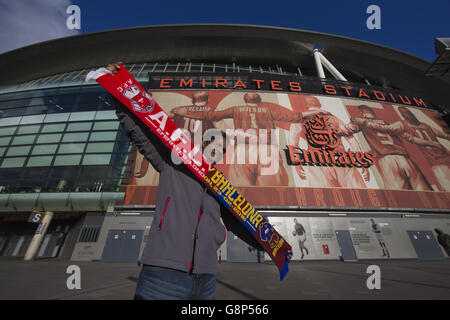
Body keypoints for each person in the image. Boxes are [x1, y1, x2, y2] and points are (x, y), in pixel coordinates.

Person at [104, 62, 263, 300]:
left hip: (206, 277)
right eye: (212, 143)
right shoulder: (174, 165)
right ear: (202, 144)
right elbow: (142, 134)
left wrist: (271, 244)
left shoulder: (220, 185)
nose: (216, 149)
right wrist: (118, 89)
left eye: (221, 147)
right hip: (163, 274)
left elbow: (242, 221)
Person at [349, 105, 433, 191]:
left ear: (363, 113)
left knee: (398, 196)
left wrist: (353, 123)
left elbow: (349, 129)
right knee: (424, 191)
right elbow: (407, 137)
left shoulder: (362, 122)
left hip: (387, 160)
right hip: (405, 158)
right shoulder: (387, 123)